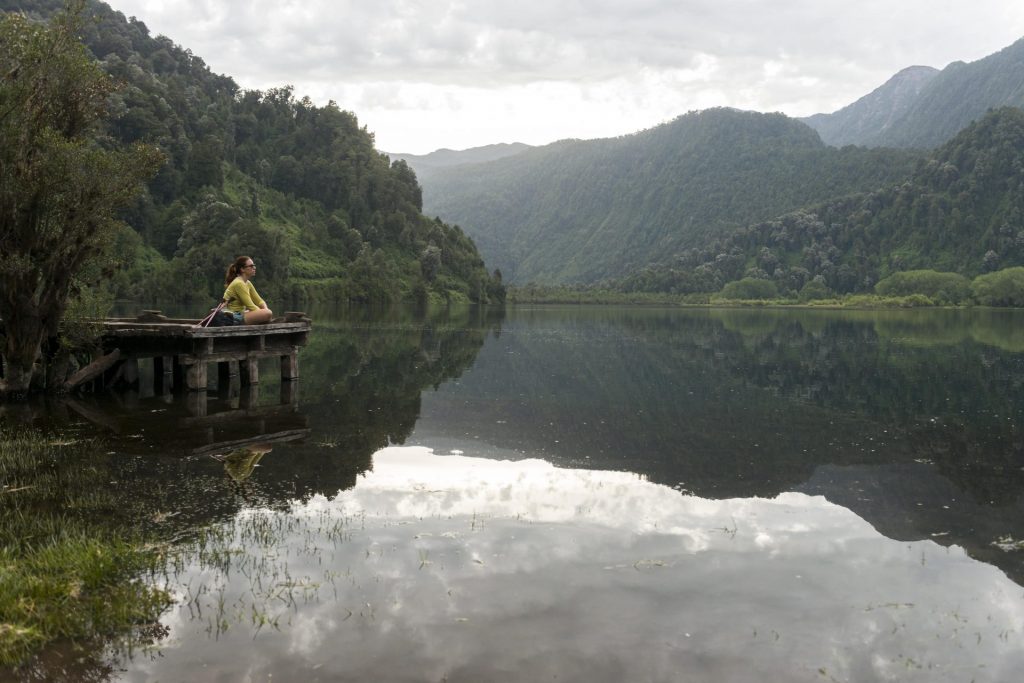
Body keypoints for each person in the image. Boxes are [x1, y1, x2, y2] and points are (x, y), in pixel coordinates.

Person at [223, 255, 273, 324]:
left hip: (240, 314)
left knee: (267, 313)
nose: (254, 268)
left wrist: (265, 310)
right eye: (251, 266)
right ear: (242, 269)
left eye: (254, 266)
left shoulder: (247, 283)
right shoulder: (239, 283)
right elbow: (251, 306)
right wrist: (264, 314)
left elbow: (259, 301)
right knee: (268, 313)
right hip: (234, 317)